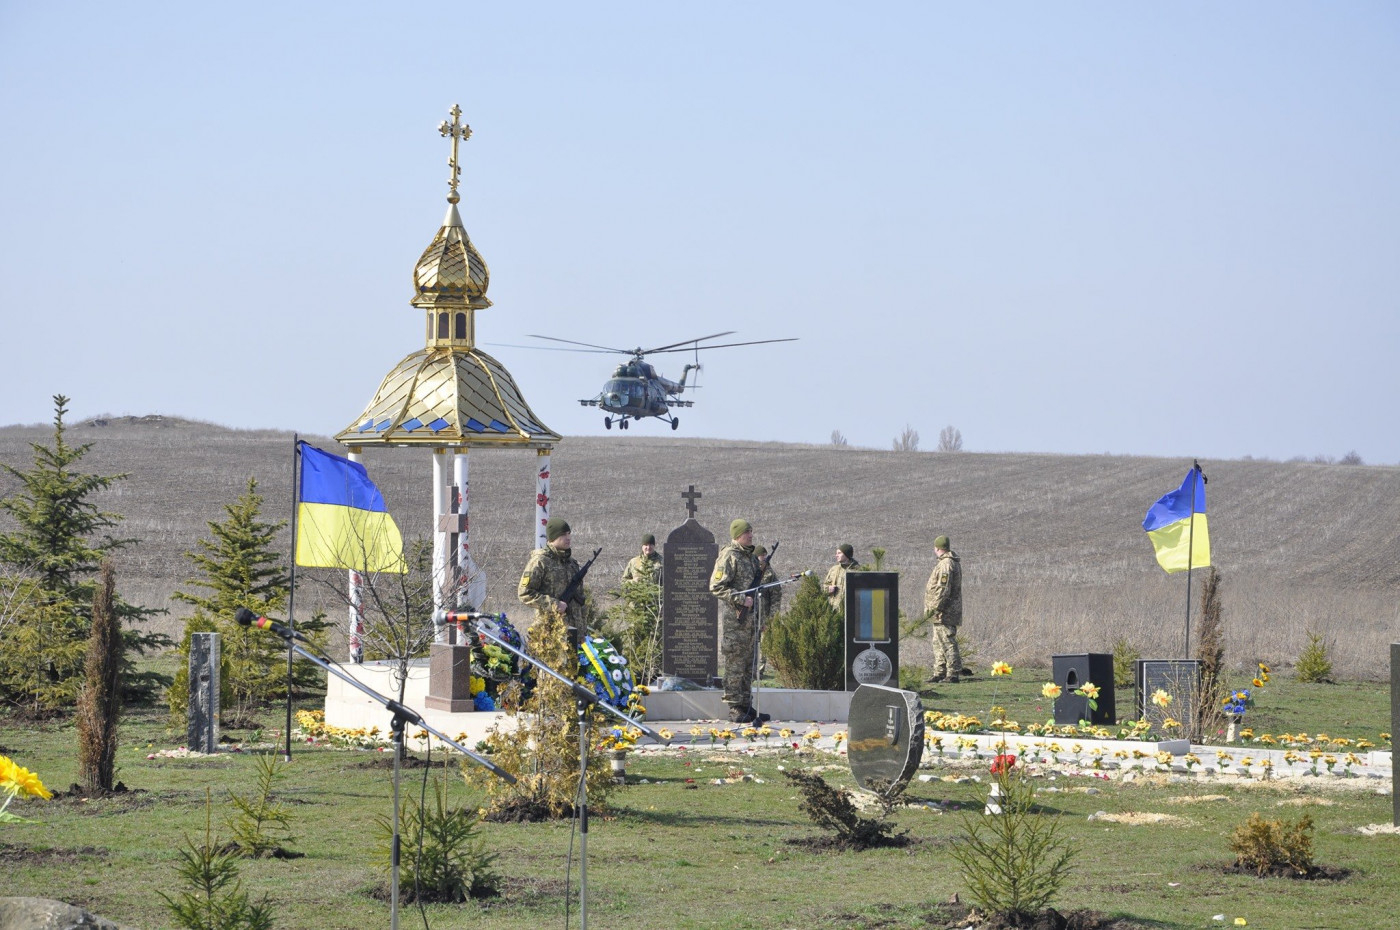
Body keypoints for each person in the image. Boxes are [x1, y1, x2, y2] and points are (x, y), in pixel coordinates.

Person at [709, 518, 769, 724]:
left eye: (751, 531)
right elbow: (716, 587)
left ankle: (745, 704)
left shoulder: (751, 558)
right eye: (747, 533)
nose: (751, 535)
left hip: (751, 622)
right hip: (736, 622)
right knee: (735, 664)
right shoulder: (729, 556)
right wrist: (742, 599)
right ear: (737, 535)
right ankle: (735, 707)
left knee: (748, 665)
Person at [518, 517, 587, 639]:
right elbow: (525, 593)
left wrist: (583, 631)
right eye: (563, 534)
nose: (568, 537)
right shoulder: (540, 561)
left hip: (575, 634)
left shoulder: (571, 563)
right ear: (553, 537)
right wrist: (554, 604)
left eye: (569, 533)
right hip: (550, 632)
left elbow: (580, 600)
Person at [923, 534, 964, 683]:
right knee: (938, 642)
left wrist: (935, 607)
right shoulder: (947, 563)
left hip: (945, 611)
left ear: (938, 548)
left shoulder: (946, 564)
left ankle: (952, 673)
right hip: (941, 612)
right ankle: (939, 672)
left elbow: (943, 588)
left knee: (947, 641)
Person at [822, 543, 860, 614]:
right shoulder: (834, 569)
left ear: (846, 554)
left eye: (839, 553)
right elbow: (825, 586)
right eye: (836, 553)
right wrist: (828, 589)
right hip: (834, 610)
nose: (836, 555)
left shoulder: (858, 570)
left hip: (852, 610)